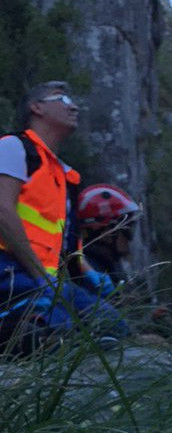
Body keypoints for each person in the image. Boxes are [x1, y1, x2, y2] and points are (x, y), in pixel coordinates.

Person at [0, 81, 128, 355]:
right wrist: (38, 276)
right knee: (53, 333)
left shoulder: (63, 175)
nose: (74, 106)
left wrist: (89, 273)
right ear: (36, 108)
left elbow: (64, 239)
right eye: (63, 98)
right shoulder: (14, 147)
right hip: (9, 270)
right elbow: (2, 209)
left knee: (114, 326)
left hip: (45, 279)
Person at [75, 183, 141, 297]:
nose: (129, 238)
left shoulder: (108, 265)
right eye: (126, 229)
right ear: (106, 232)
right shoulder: (90, 275)